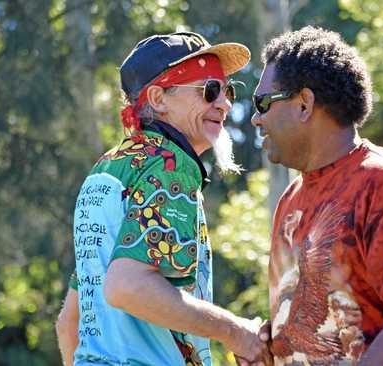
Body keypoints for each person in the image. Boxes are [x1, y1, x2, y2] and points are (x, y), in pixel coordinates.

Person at [55, 31, 272, 366]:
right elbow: (127, 286)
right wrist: (236, 332)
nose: (226, 103)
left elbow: (71, 322)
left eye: (227, 90)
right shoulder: (171, 165)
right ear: (158, 98)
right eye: (209, 91)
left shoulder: (108, 170)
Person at [251, 26, 383, 365]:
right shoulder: (290, 201)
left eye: (262, 103)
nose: (255, 119)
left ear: (304, 104)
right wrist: (270, 347)